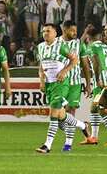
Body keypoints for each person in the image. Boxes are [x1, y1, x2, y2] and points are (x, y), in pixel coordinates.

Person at [35, 24, 90, 153]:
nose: (45, 33)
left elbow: (75, 60)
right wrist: (42, 81)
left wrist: (64, 71)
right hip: (50, 84)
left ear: (55, 33)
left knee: (54, 114)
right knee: (61, 115)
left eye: (48, 31)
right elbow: (41, 66)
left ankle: (47, 145)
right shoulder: (41, 47)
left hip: (62, 84)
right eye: (44, 31)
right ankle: (83, 125)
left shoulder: (61, 46)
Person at [59, 21, 93, 149]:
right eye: (72, 30)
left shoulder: (79, 44)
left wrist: (88, 84)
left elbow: (85, 65)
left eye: (75, 30)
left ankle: (68, 144)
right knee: (59, 114)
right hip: (60, 83)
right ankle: (82, 125)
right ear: (64, 29)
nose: (74, 33)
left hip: (75, 83)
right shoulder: (56, 43)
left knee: (71, 111)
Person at [87, 22, 107, 144]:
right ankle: (94, 138)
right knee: (94, 109)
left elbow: (96, 64)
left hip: (100, 78)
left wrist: (97, 78)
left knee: (101, 108)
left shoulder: (93, 46)